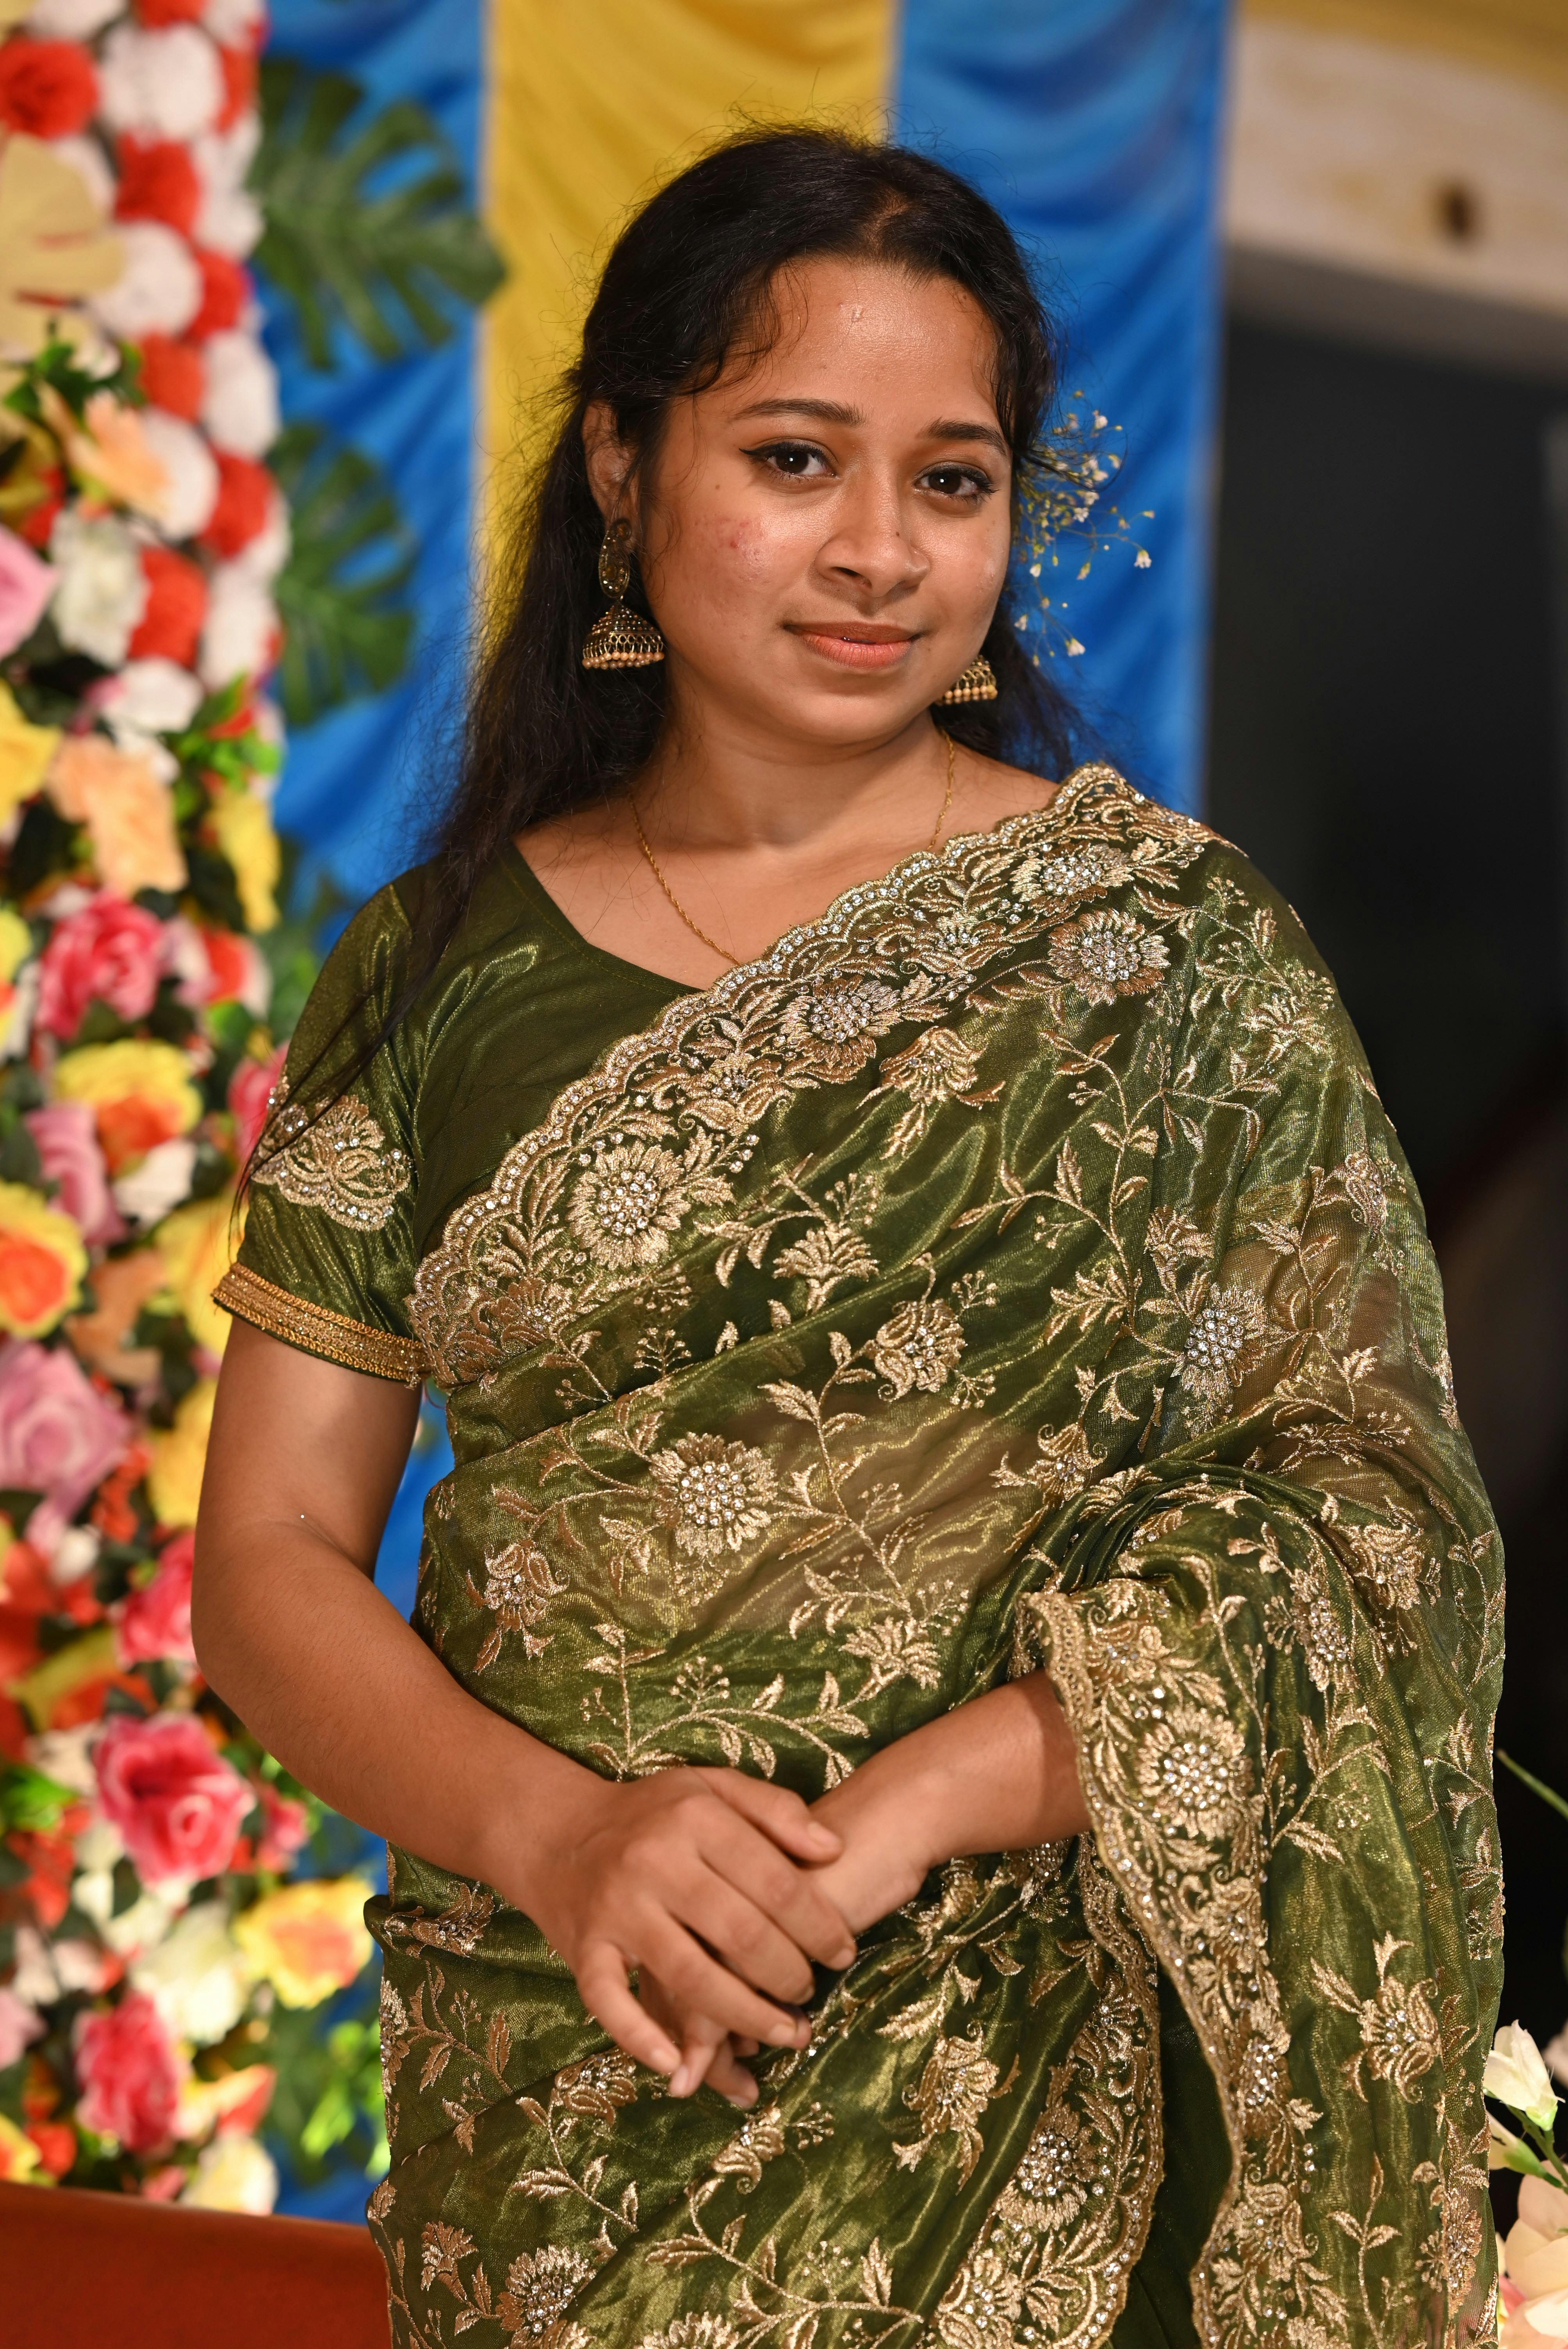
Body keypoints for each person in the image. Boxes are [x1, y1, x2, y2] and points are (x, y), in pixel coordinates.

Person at [192, 128, 1503, 2349]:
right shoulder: (438, 975)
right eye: (796, 459)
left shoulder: (1164, 962)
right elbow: (267, 1565)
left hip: (1032, 2061)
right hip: (561, 2085)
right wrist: (562, 1837)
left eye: (955, 480)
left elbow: (1365, 1526)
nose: (881, 555)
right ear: (620, 467)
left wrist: (919, 1805)